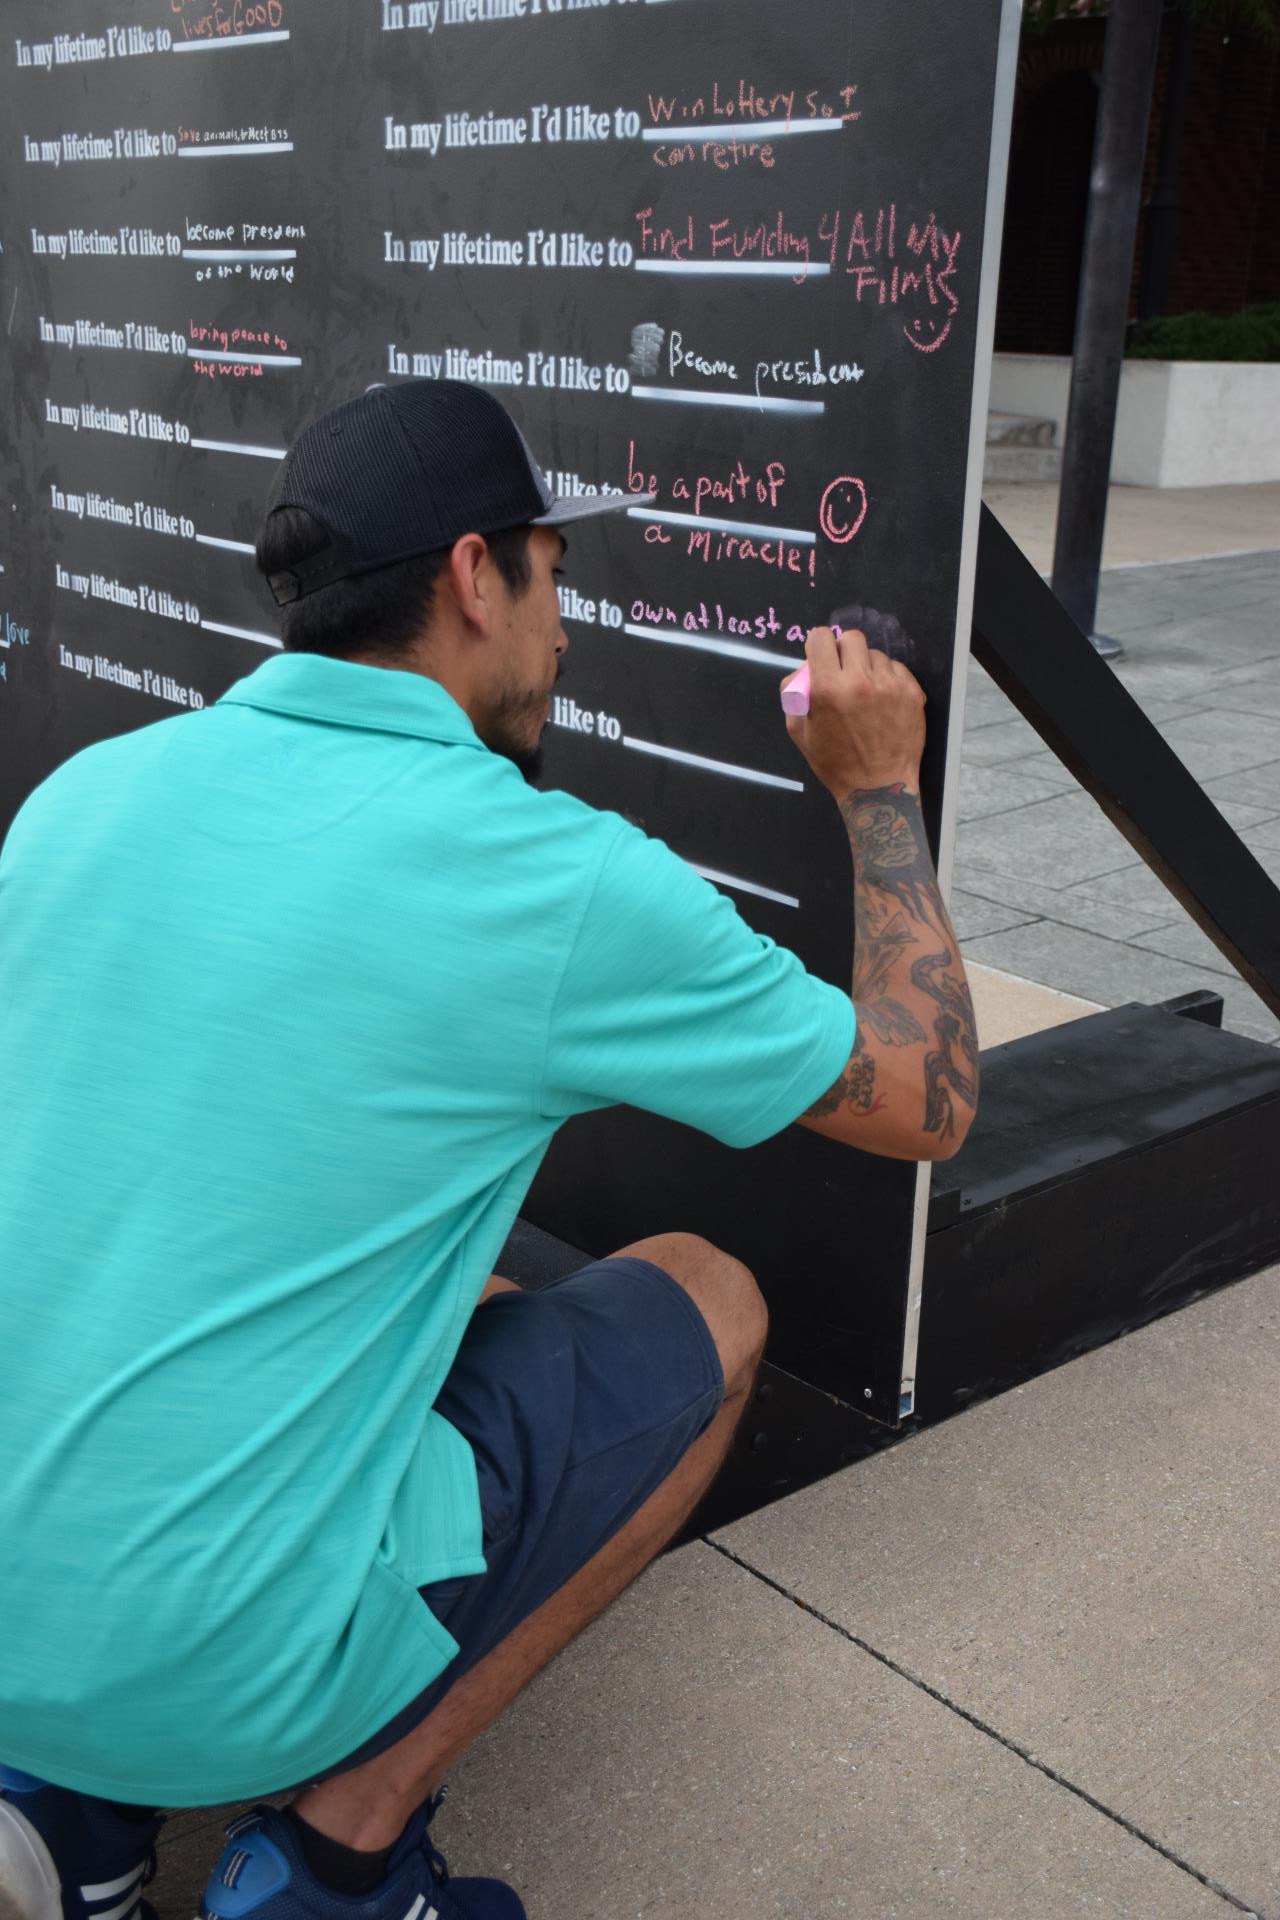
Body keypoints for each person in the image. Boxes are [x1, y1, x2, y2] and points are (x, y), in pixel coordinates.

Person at [0, 381, 979, 1920]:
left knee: (461, 1301)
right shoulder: (548, 877)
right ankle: (335, 1858)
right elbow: (926, 1097)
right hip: (220, 1669)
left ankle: (72, 1811)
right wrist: (879, 794)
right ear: (476, 574)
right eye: (558, 576)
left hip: (12, 1628)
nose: (568, 631)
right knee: (707, 1301)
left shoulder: (77, 803)